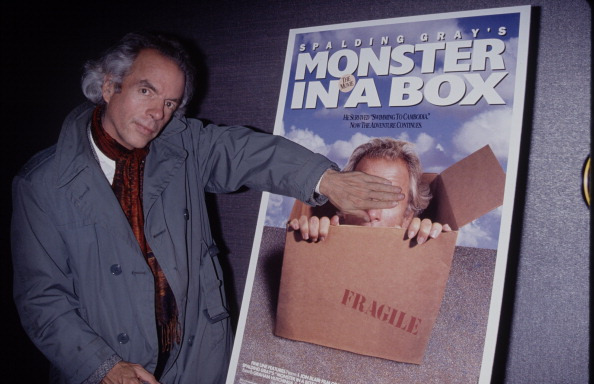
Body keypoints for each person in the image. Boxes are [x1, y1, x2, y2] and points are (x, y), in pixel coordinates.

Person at [10, 32, 405, 384]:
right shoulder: (42, 183)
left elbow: (247, 151)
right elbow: (42, 299)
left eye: (169, 102)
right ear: (110, 86)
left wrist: (325, 179)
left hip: (197, 357)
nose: (157, 114)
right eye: (145, 91)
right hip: (111, 365)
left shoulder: (181, 145)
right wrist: (103, 367)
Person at [289, 137, 451, 243]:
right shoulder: (313, 237)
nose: (372, 213)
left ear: (408, 216)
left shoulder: (427, 248)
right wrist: (307, 243)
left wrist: (436, 244)